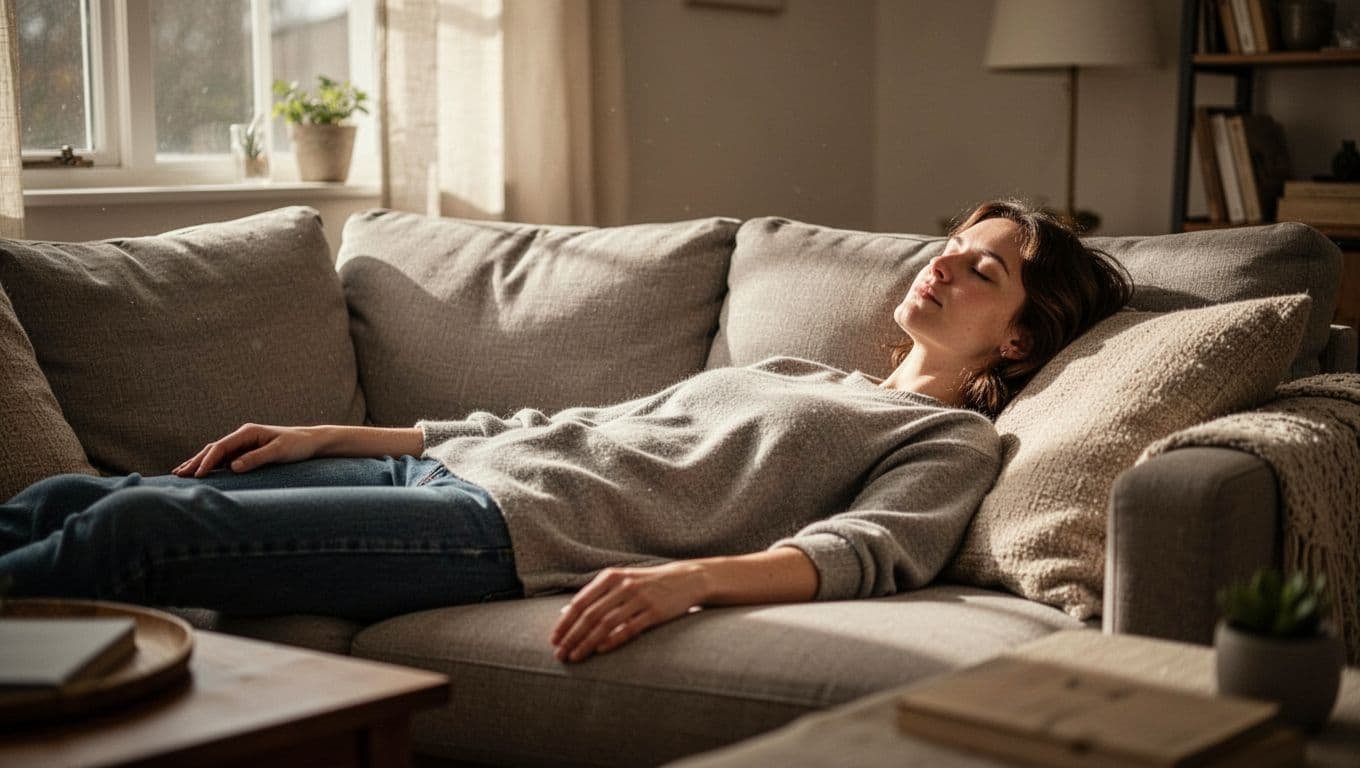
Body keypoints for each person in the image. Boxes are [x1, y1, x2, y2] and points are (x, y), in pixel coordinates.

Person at [0, 200, 1132, 664]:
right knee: (70, 500)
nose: (942, 261)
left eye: (982, 268)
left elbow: (870, 550)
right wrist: (334, 436)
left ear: (1020, 341)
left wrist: (690, 582)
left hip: (506, 530)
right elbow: (565, 421)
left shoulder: (949, 444)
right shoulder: (792, 368)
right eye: (954, 242)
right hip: (450, 472)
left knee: (146, 528)